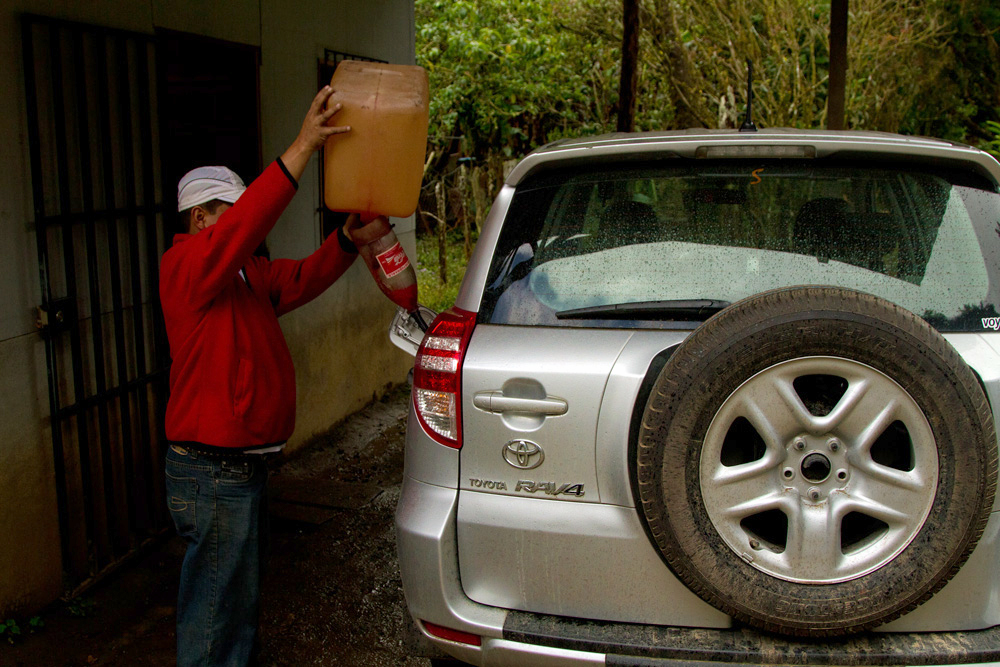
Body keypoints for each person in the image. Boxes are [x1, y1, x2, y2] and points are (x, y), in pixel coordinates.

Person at [160, 86, 373, 666]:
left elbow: (300, 278)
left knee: (235, 604)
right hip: (212, 469)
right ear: (201, 218)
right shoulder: (185, 265)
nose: (247, 227)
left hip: (238, 468)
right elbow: (245, 227)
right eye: (233, 212)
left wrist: (346, 242)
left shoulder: (247, 274)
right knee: (214, 613)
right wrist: (303, 147)